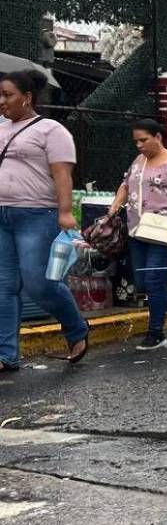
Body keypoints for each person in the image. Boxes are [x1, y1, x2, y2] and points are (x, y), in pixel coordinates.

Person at [0, 69, 90, 369]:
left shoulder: (51, 130)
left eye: (7, 95)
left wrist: (65, 212)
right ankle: (6, 354)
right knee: (4, 286)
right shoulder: (0, 129)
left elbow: (62, 175)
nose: (2, 101)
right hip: (2, 215)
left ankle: (76, 329)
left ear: (27, 97)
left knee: (39, 283)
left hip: (36, 215)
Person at [107, 119, 167, 350]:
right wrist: (113, 210)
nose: (139, 145)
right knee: (141, 281)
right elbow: (125, 186)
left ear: (158, 137)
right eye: (136, 141)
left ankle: (155, 333)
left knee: (153, 280)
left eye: (143, 140)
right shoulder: (139, 161)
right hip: (138, 229)